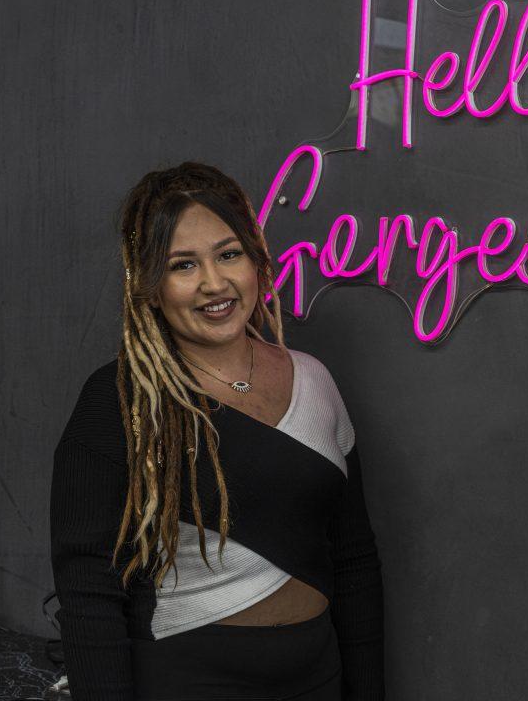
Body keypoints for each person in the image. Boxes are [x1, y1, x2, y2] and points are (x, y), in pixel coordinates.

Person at [50, 163, 384, 701]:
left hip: (317, 676)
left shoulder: (315, 380)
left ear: (257, 263)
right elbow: (88, 587)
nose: (214, 283)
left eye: (229, 254)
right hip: (190, 680)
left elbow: (353, 558)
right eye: (183, 265)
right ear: (150, 288)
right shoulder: (121, 398)